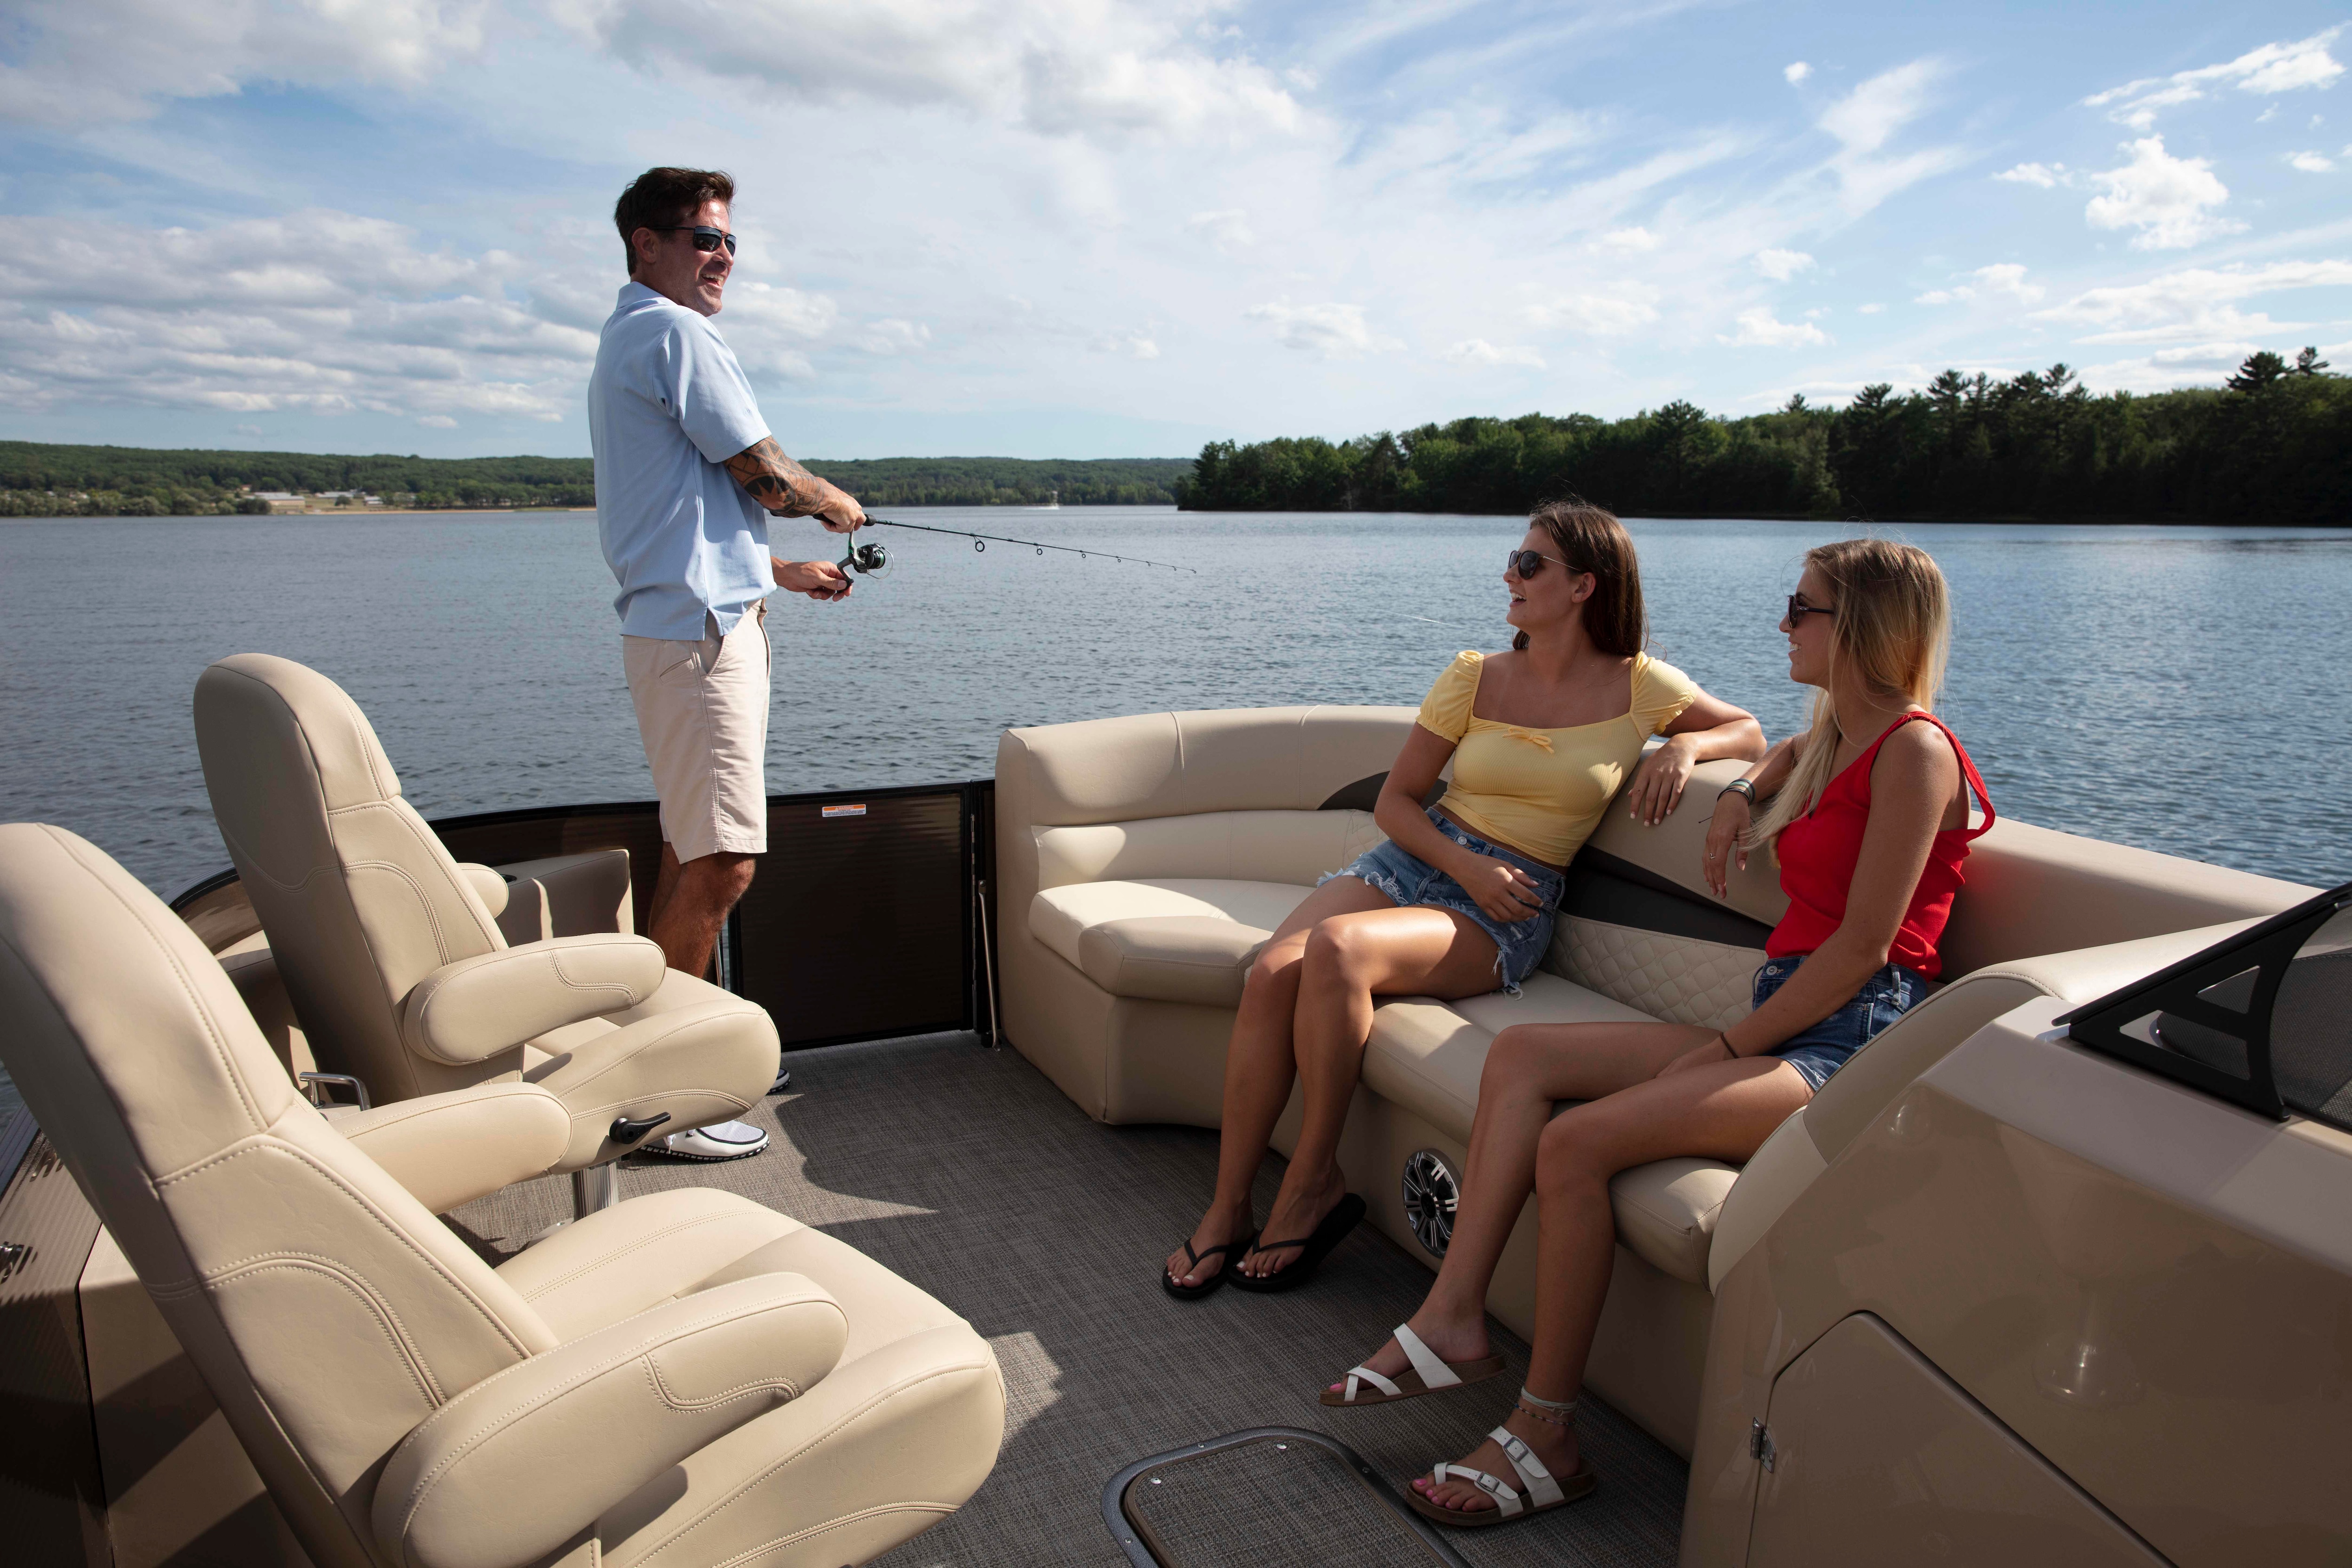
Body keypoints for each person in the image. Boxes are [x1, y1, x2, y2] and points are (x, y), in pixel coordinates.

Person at [1333, 537, 1992, 1531]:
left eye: (1799, 606)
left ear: (1858, 623)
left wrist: (1727, 1050)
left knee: (1577, 1138)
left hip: (1853, 1044)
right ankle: (1453, 1313)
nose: (1782, 621)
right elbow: (1779, 753)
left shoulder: (1914, 749)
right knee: (1521, 1053)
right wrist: (1729, 790)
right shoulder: (1841, 733)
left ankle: (1545, 1432)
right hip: (1785, 1013)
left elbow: (1862, 950)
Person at [1161, 499, 1765, 1298]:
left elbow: (1752, 730)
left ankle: (1312, 1182)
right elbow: (1398, 801)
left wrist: (1686, 744)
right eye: (1514, 560)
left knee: (1337, 949)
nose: (1508, 576)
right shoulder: (1475, 675)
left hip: (1504, 904)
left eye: (1528, 564)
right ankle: (1229, 1206)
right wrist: (1460, 862)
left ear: (1585, 586)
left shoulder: (1639, 686)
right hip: (1422, 859)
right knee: (1272, 971)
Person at [588, 167, 866, 1161]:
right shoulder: (673, 332)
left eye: (728, 242)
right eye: (700, 238)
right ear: (644, 247)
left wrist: (776, 571)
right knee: (723, 859)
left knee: (687, 847)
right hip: (700, 638)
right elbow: (760, 469)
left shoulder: (632, 337)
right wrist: (829, 499)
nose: (720, 257)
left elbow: (689, 505)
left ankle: (674, 1060)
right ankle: (666, 1098)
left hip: (696, 619)